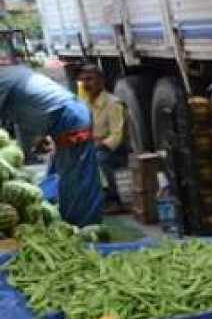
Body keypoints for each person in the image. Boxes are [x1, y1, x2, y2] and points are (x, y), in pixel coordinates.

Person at [0, 64, 103, 225]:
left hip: (68, 119)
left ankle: (81, 225)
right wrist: (40, 135)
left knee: (76, 178)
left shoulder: (3, 79)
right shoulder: (11, 72)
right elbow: (33, 102)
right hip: (66, 115)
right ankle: (75, 220)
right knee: (66, 175)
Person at [78, 63, 128, 211]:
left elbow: (117, 136)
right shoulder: (84, 103)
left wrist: (97, 145)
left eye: (90, 79)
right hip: (93, 146)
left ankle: (113, 199)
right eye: (83, 80)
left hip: (114, 151)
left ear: (101, 81)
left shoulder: (113, 103)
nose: (86, 84)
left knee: (98, 158)